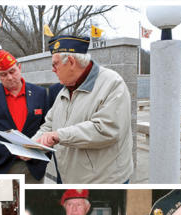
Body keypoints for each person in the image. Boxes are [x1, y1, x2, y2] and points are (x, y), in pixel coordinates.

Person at [32, 35, 133, 184]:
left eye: (55, 65)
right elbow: (49, 125)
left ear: (71, 62)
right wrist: (31, 146)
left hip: (103, 182)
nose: (53, 70)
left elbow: (106, 129)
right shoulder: (65, 89)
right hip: (68, 178)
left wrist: (59, 135)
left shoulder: (113, 84)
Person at [0, 49, 48, 183]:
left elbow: (47, 126)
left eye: (12, 71)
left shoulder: (40, 93)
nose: (9, 77)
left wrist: (44, 158)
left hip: (33, 168)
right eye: (3, 74)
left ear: (19, 68)